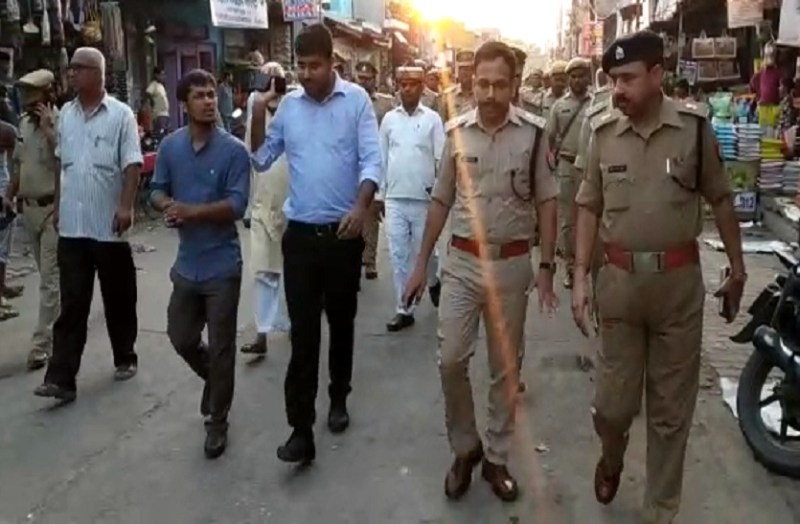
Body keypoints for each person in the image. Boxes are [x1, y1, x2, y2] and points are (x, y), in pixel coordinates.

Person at [572, 31, 746, 522]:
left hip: (678, 290)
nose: (617, 90)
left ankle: (659, 510)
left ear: (656, 75)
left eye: (627, 79)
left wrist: (737, 268)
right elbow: (588, 205)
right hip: (620, 290)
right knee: (612, 407)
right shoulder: (603, 133)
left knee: (671, 415)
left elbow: (720, 198)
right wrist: (581, 276)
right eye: (612, 80)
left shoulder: (692, 130)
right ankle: (611, 457)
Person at [403, 40, 558, 503]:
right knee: (450, 358)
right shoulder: (456, 132)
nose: (490, 93)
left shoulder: (533, 133)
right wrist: (418, 266)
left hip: (511, 265)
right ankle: (465, 447)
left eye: (500, 84)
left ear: (514, 85)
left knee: (505, 369)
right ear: (472, 83)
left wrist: (547, 265)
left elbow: (548, 201)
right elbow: (440, 201)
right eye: (483, 83)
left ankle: (495, 457)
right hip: (462, 263)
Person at [249, 24, 383, 465]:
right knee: (303, 335)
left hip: (343, 237)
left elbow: (371, 161)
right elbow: (262, 156)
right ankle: (301, 430)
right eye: (300, 66)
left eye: (314, 66)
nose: (306, 74)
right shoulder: (288, 107)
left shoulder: (357, 102)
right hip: (301, 238)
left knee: (341, 324)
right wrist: (257, 110)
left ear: (332, 63)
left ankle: (339, 395)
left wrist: (361, 208)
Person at [150, 69, 249, 459]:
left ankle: (218, 422)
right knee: (180, 337)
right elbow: (156, 190)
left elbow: (237, 205)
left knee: (222, 346)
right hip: (187, 265)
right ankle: (216, 379)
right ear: (183, 104)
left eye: (212, 94)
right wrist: (167, 207)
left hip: (223, 266)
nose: (209, 101)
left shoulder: (233, 151)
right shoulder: (171, 148)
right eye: (199, 96)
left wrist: (191, 212)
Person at [34, 48, 143, 402]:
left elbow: (132, 166)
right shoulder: (65, 114)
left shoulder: (121, 116)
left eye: (78, 69)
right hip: (73, 228)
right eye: (70, 69)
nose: (71, 74)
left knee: (119, 298)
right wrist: (58, 206)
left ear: (96, 73)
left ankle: (125, 355)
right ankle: (61, 379)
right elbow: (61, 163)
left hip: (108, 225)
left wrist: (126, 206)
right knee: (73, 304)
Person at [377, 66, 444, 332]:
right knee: (398, 254)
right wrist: (380, 195)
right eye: (403, 84)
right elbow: (381, 159)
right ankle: (404, 309)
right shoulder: (389, 120)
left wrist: (439, 193)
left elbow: (441, 159)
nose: (407, 89)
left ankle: (434, 279)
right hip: (394, 198)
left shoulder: (432, 119)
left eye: (413, 84)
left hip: (423, 198)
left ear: (421, 88)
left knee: (424, 253)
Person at [3, 69, 60, 369]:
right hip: (29, 211)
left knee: (50, 282)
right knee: (49, 280)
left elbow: (64, 162)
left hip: (53, 210)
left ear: (46, 95)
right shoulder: (23, 124)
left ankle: (41, 345)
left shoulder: (61, 122)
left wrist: (51, 132)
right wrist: (9, 194)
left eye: (32, 96)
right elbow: (18, 165)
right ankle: (62, 330)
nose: (26, 102)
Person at [240, 62, 291, 356]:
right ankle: (262, 334)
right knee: (262, 270)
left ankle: (294, 322)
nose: (272, 84)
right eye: (266, 77)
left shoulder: (295, 107)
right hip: (262, 200)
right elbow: (252, 154)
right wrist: (247, 205)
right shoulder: (253, 107)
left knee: (291, 270)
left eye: (278, 79)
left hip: (292, 202)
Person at [546, 57, 592, 289]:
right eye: (572, 76)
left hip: (592, 169)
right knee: (568, 221)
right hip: (566, 167)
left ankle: (590, 264)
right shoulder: (558, 107)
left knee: (592, 215)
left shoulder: (597, 105)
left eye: (581, 75)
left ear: (588, 77)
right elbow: (549, 138)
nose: (576, 80)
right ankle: (571, 268)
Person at [354, 61, 394, 281]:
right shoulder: (348, 102)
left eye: (367, 78)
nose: (364, 82)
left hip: (376, 164)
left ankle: (369, 261)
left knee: (371, 212)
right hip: (353, 165)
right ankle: (354, 257)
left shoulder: (385, 104)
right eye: (360, 78)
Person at [0, 105, 18, 322]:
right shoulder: (6, 130)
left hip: (4, 190)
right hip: (2, 193)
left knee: (4, 246)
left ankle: (1, 288)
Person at [441, 49, 476, 122]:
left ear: (473, 71)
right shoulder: (449, 95)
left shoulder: (480, 94)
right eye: (461, 69)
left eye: (467, 69)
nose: (464, 73)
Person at [147, 67, 170, 134]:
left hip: (165, 113)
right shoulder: (153, 85)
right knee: (161, 134)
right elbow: (148, 93)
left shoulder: (161, 86)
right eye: (161, 75)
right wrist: (152, 102)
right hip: (159, 114)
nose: (163, 77)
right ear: (156, 75)